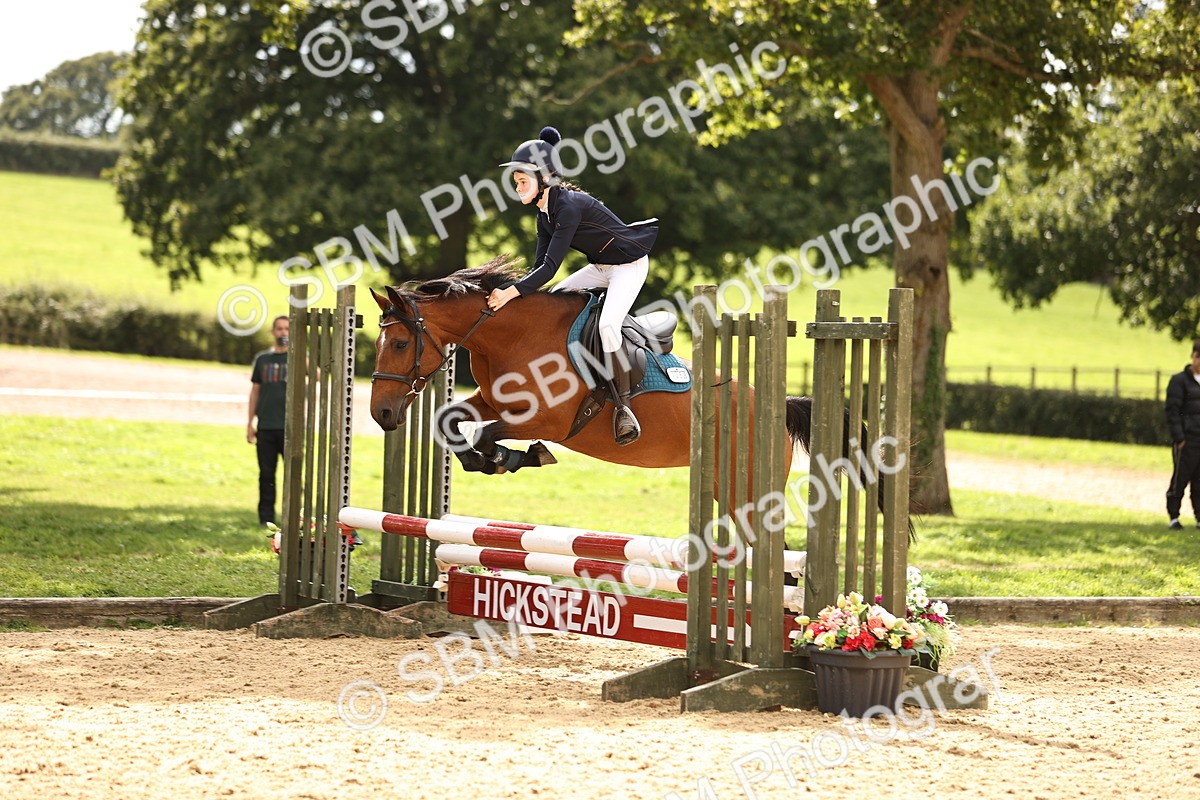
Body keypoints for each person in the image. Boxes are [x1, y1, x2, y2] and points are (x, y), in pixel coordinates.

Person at [487, 126, 658, 446]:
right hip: (601, 267)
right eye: (516, 182)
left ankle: (624, 408)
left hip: (629, 266)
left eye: (522, 180)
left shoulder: (567, 206)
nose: (517, 186)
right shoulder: (544, 214)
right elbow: (539, 268)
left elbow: (551, 267)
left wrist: (510, 293)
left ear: (544, 179)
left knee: (608, 325)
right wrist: (515, 294)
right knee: (555, 300)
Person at [248, 316, 289, 526]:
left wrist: (299, 353)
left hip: (290, 429)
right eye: (279, 329)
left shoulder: (298, 358)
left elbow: (318, 376)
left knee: (292, 476)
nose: (283, 333)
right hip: (265, 427)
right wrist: (250, 423)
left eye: (287, 329)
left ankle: (292, 517)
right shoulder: (263, 360)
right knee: (266, 475)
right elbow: (255, 392)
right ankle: (266, 519)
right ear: (273, 332)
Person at [1165, 339, 1200, 530]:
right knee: (1180, 479)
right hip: (1187, 441)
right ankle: (1174, 517)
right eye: (1198, 357)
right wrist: (1179, 438)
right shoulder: (1179, 381)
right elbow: (1172, 411)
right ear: (1193, 356)